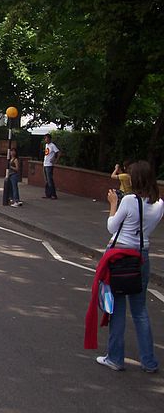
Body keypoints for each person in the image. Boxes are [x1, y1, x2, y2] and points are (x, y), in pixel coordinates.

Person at [96, 160, 163, 373]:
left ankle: (115, 358)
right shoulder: (160, 204)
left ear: (137, 179)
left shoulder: (129, 201)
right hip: (142, 257)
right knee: (140, 310)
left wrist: (113, 204)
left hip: (119, 257)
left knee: (116, 308)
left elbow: (111, 227)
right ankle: (149, 362)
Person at [42, 134, 61, 199]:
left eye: (46, 138)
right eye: (45, 138)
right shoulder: (46, 145)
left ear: (49, 139)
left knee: (50, 180)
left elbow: (58, 152)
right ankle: (48, 194)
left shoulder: (52, 145)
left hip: (49, 165)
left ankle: (53, 195)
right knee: (46, 180)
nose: (45, 140)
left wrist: (55, 160)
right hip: (45, 164)